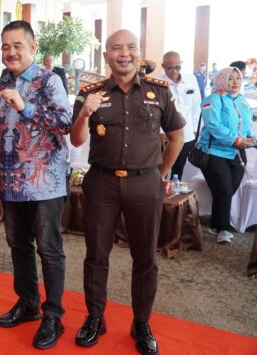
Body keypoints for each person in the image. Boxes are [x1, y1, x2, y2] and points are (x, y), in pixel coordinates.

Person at [70, 29, 185, 355]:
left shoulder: (158, 91)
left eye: (131, 47)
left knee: (145, 257)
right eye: (117, 48)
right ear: (106, 55)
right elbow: (76, 140)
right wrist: (85, 112)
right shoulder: (89, 93)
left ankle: (141, 323)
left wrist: (159, 174)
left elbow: (177, 136)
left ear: (139, 53)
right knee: (96, 254)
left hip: (144, 184)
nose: (125, 53)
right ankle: (95, 317)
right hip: (102, 183)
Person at [0, 21, 71, 349]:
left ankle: (53, 315)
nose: (11, 52)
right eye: (6, 46)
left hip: (45, 182)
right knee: (18, 245)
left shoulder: (49, 81)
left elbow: (64, 122)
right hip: (10, 182)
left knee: (49, 249)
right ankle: (28, 303)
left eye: (17, 45)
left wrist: (25, 107)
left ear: (33, 47)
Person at [198, 67, 255, 244]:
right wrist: (235, 140)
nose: (235, 82)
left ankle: (216, 224)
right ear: (222, 80)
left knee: (228, 190)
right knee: (223, 189)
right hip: (214, 152)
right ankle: (223, 229)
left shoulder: (243, 101)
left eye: (238, 78)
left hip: (238, 154)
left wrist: (251, 137)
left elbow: (246, 124)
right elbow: (213, 125)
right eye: (230, 78)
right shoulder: (213, 99)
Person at [159, 51, 201, 179]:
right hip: (166, 135)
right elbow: (156, 111)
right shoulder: (158, 83)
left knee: (178, 169)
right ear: (163, 66)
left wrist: (195, 129)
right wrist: (160, 132)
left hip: (186, 134)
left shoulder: (191, 79)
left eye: (177, 67)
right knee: (162, 169)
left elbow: (196, 105)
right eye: (169, 68)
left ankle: (174, 190)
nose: (174, 71)